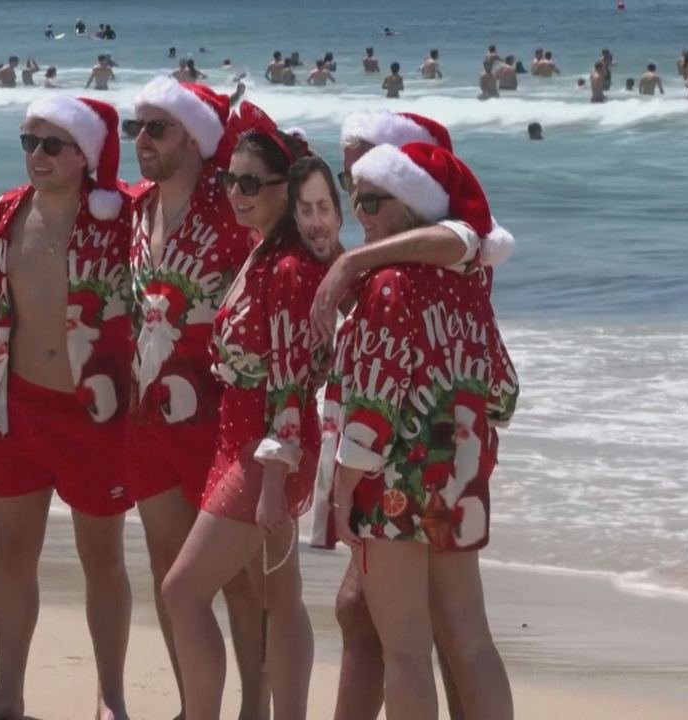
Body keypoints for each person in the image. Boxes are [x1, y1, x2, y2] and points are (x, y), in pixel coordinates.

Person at [309, 110, 515, 720]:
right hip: (462, 478)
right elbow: (503, 391)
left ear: (408, 205)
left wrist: (343, 492)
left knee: (405, 651)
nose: (360, 214)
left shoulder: (389, 282)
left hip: (392, 486)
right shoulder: (470, 280)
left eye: (373, 201)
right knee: (470, 639)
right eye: (356, 198)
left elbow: (371, 409)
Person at [0, 94, 133, 720]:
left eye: (51, 144)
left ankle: (110, 695)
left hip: (95, 413)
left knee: (102, 558)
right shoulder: (10, 212)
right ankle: (9, 690)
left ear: (84, 153)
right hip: (19, 406)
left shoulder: (120, 217)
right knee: (13, 553)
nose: (36, 155)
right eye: (28, 142)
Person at [162, 102, 322, 720]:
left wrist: (276, 483)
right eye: (230, 180)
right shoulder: (260, 252)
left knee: (183, 592)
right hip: (243, 438)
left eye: (252, 183)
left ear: (289, 188)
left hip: (263, 447)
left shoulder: (285, 268)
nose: (237, 193)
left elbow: (289, 385)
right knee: (281, 598)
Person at [123, 79, 266, 720]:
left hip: (221, 414)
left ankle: (255, 709)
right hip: (147, 416)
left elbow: (289, 256)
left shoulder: (231, 203)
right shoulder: (136, 208)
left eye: (157, 127)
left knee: (237, 578)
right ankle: (192, 706)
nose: (142, 140)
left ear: (192, 136)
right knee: (166, 566)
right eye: (137, 128)